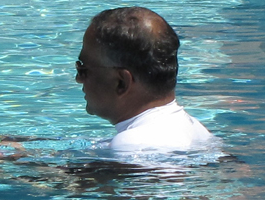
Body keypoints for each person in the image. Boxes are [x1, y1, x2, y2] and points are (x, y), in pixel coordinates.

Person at [75, 7, 218, 152]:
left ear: (121, 83)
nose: (78, 79)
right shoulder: (196, 130)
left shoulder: (133, 144)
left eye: (83, 70)